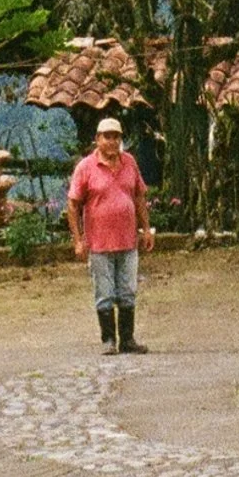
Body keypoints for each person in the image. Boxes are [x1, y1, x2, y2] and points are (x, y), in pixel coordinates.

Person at [68, 113, 152, 354]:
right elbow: (73, 205)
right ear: (97, 139)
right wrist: (78, 239)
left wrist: (146, 229)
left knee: (127, 290)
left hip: (127, 241)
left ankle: (127, 339)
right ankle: (108, 340)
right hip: (99, 243)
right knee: (104, 293)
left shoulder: (130, 163)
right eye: (108, 137)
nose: (113, 142)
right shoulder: (86, 167)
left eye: (117, 137)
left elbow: (139, 196)